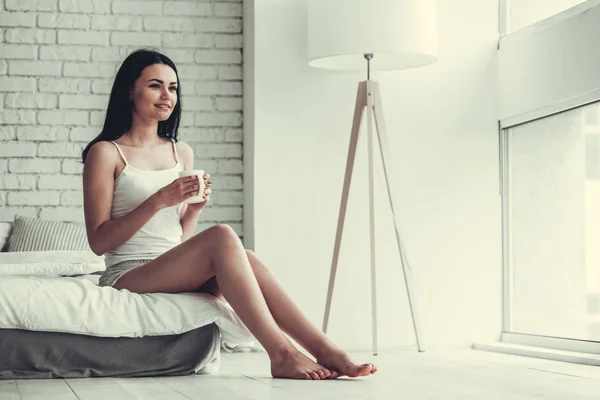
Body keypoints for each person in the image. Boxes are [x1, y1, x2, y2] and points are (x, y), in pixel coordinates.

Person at [81, 49, 377, 380]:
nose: (167, 96)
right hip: (128, 273)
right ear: (129, 90)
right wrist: (158, 200)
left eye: (173, 87)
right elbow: (98, 241)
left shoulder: (181, 152)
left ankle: (325, 349)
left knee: (245, 256)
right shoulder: (106, 152)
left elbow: (177, 239)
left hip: (169, 265)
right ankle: (281, 353)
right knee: (223, 235)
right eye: (155, 86)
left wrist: (193, 211)